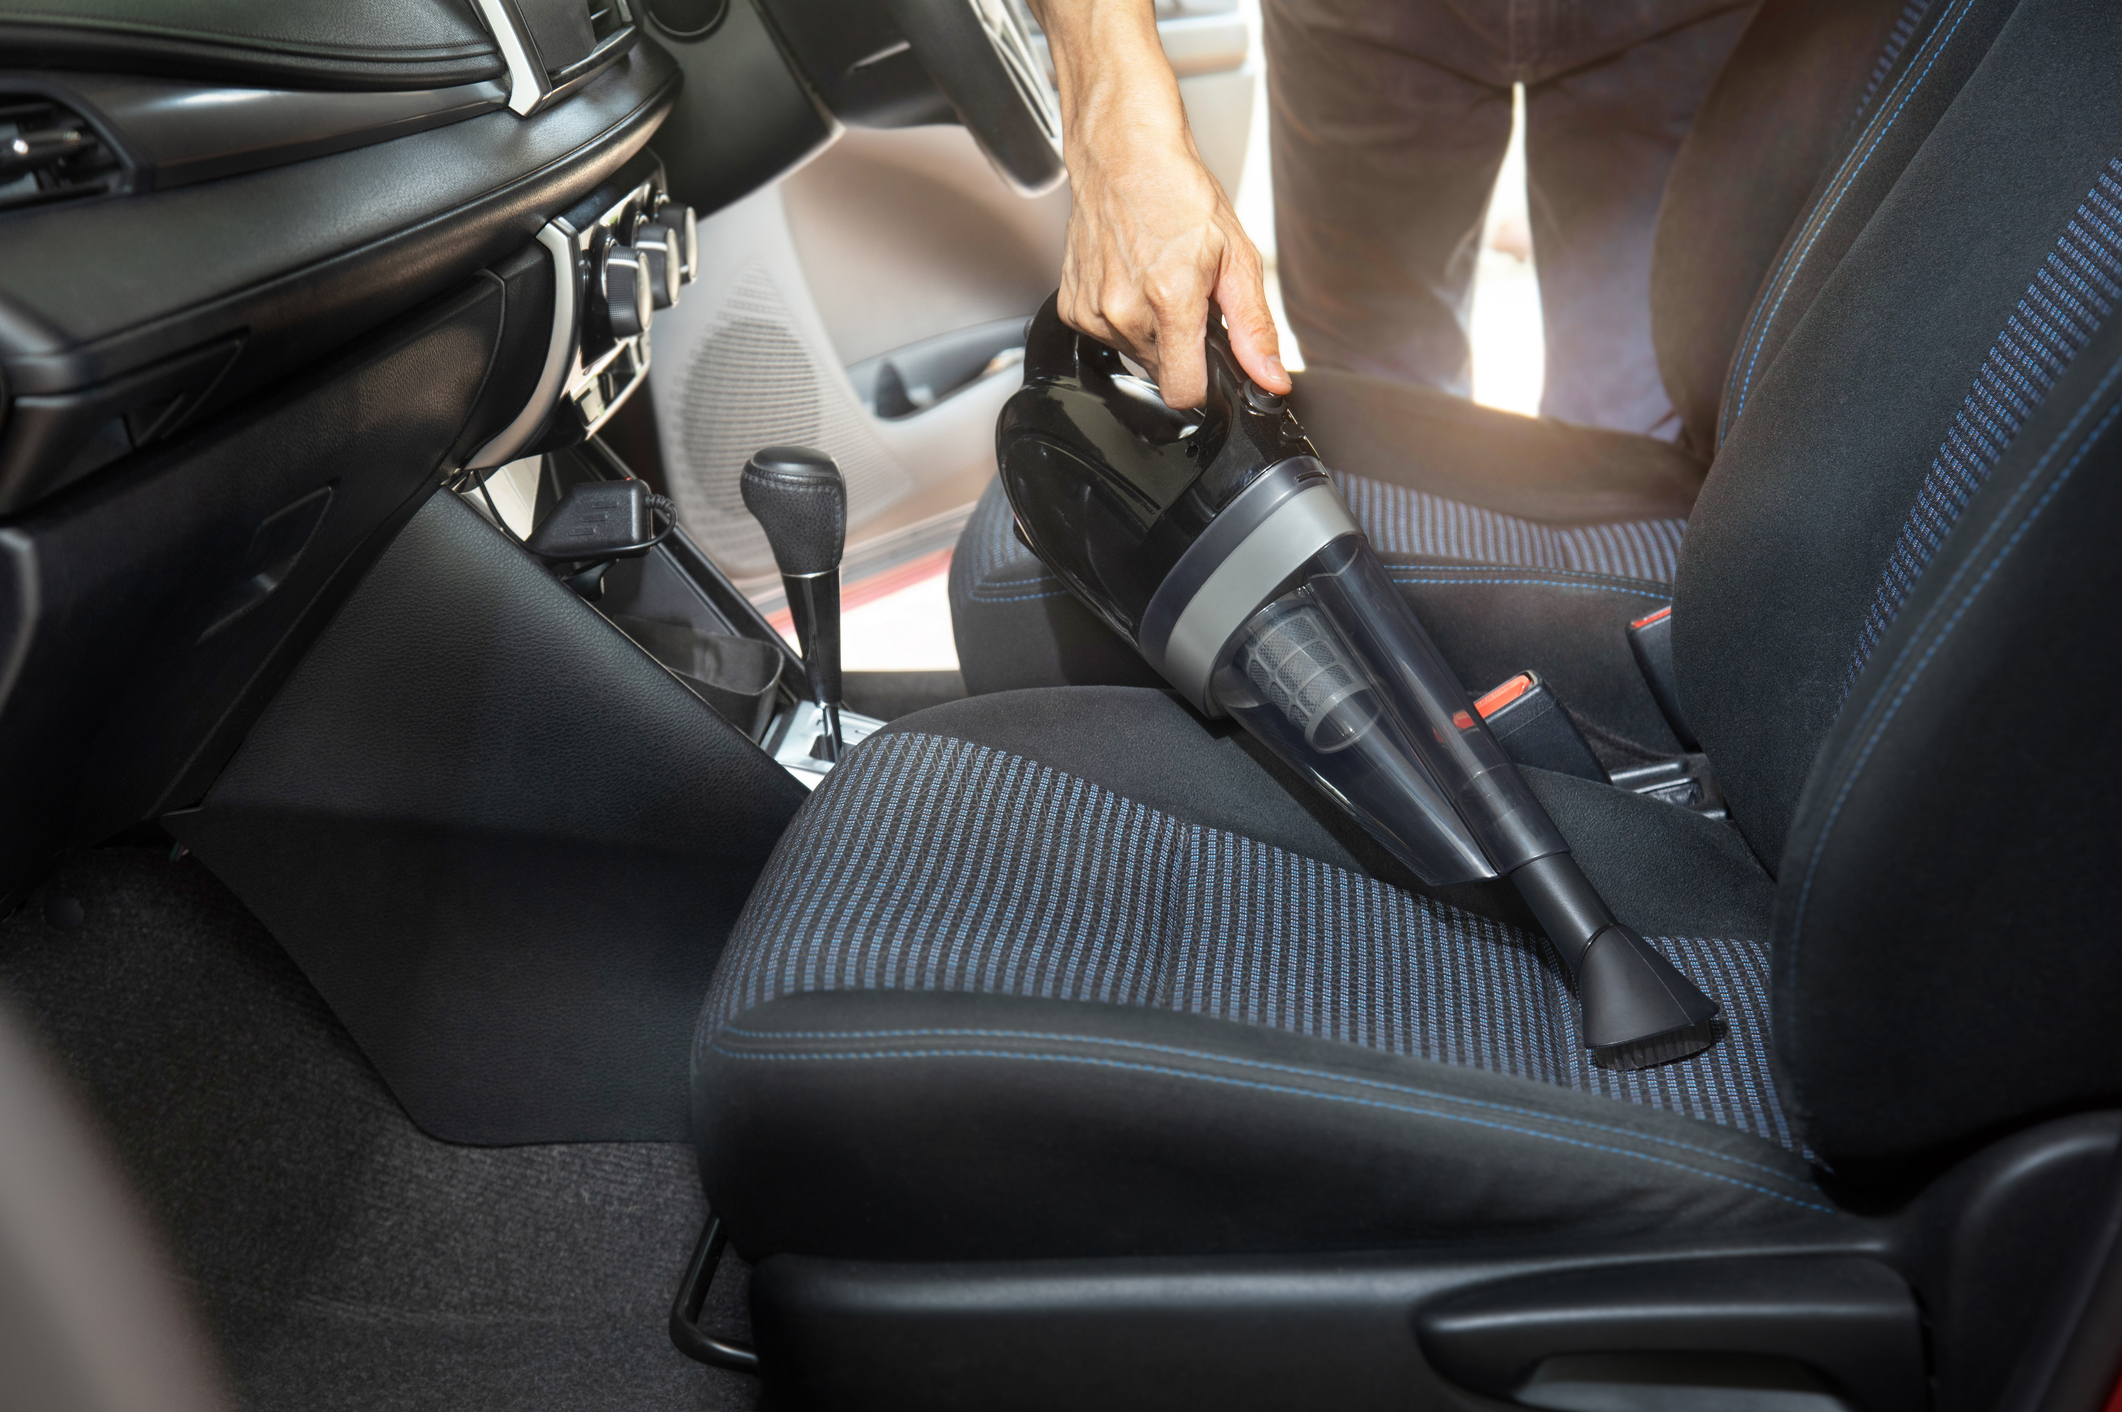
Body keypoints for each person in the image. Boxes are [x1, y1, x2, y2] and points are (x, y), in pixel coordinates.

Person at [1027, 0, 1754, 438]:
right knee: (1384, 414)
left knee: (1642, 424)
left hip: (1673, 23)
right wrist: (1116, 131)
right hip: (1366, 24)